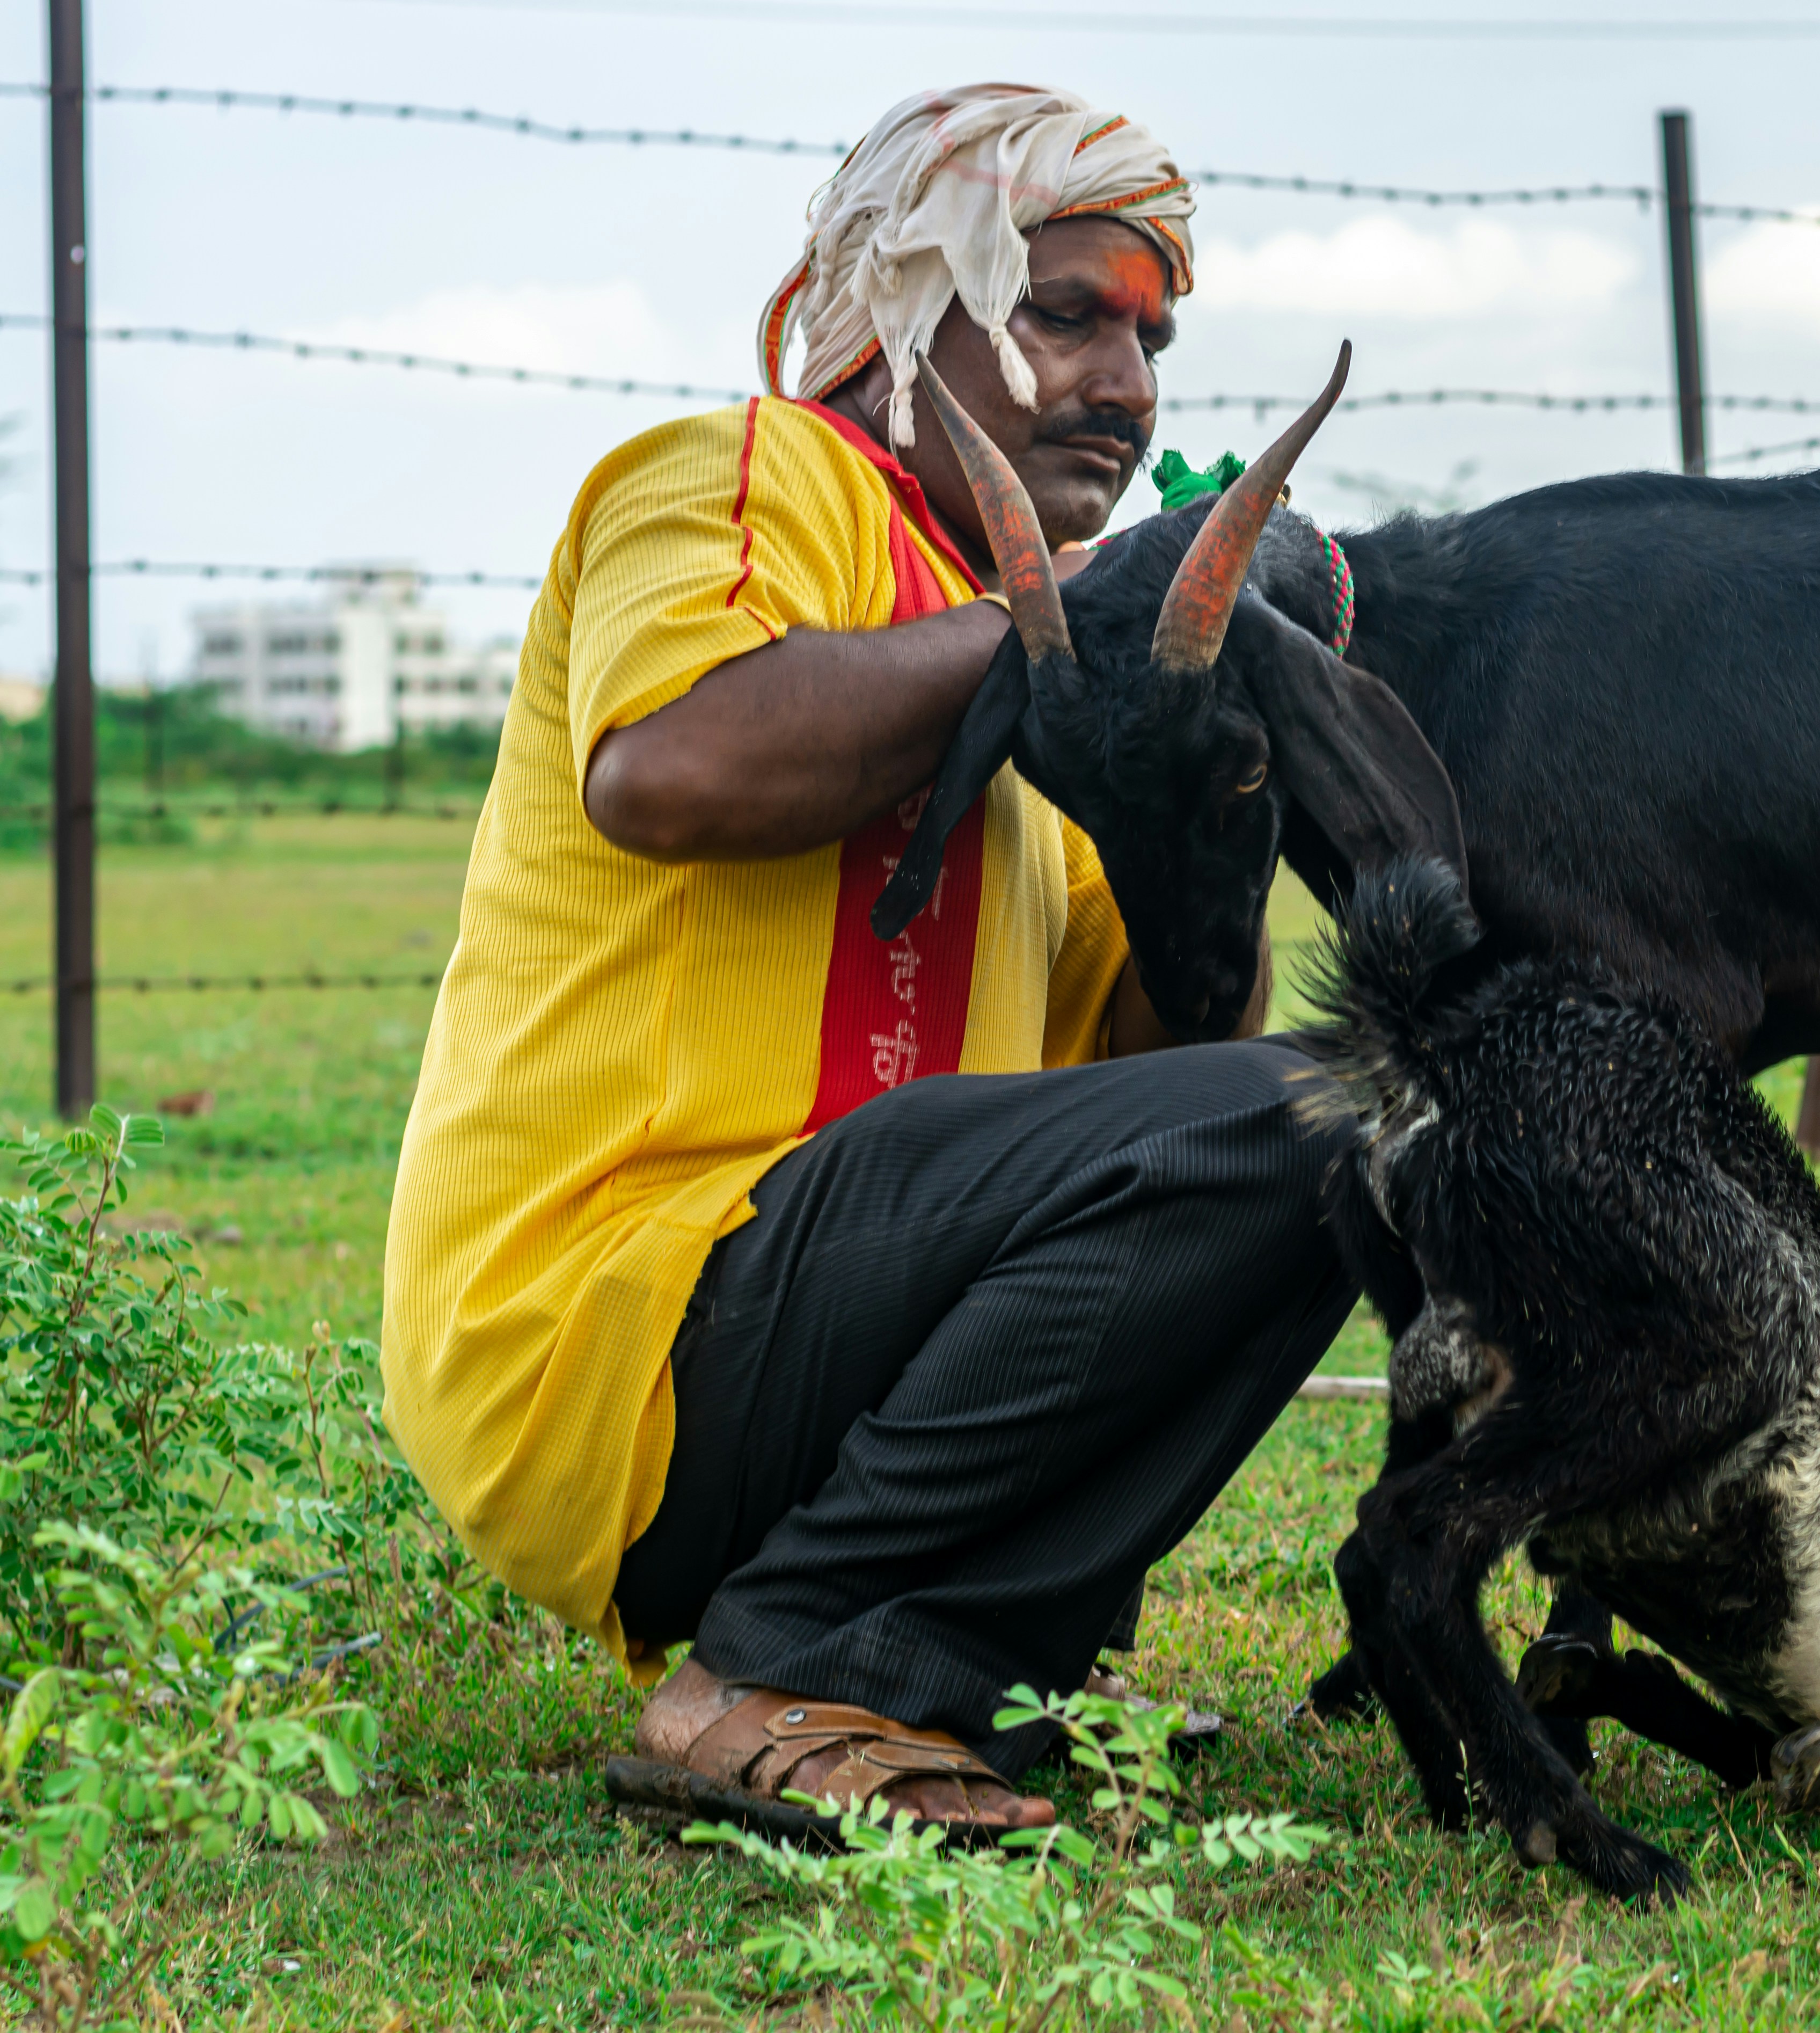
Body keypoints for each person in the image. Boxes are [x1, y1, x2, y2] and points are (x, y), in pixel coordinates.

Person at [381, 83, 1359, 1837]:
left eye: (1152, 339)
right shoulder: (747, 475)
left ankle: (949, 1664)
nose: (1128, 389)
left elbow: (1156, 1113)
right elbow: (673, 762)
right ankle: (776, 1671)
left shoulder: (1053, 651)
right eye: (1064, 316)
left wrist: (1215, 799)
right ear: (901, 311)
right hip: (617, 1318)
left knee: (1327, 1126)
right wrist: (1065, 621)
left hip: (813, 1343)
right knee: (1296, 1117)